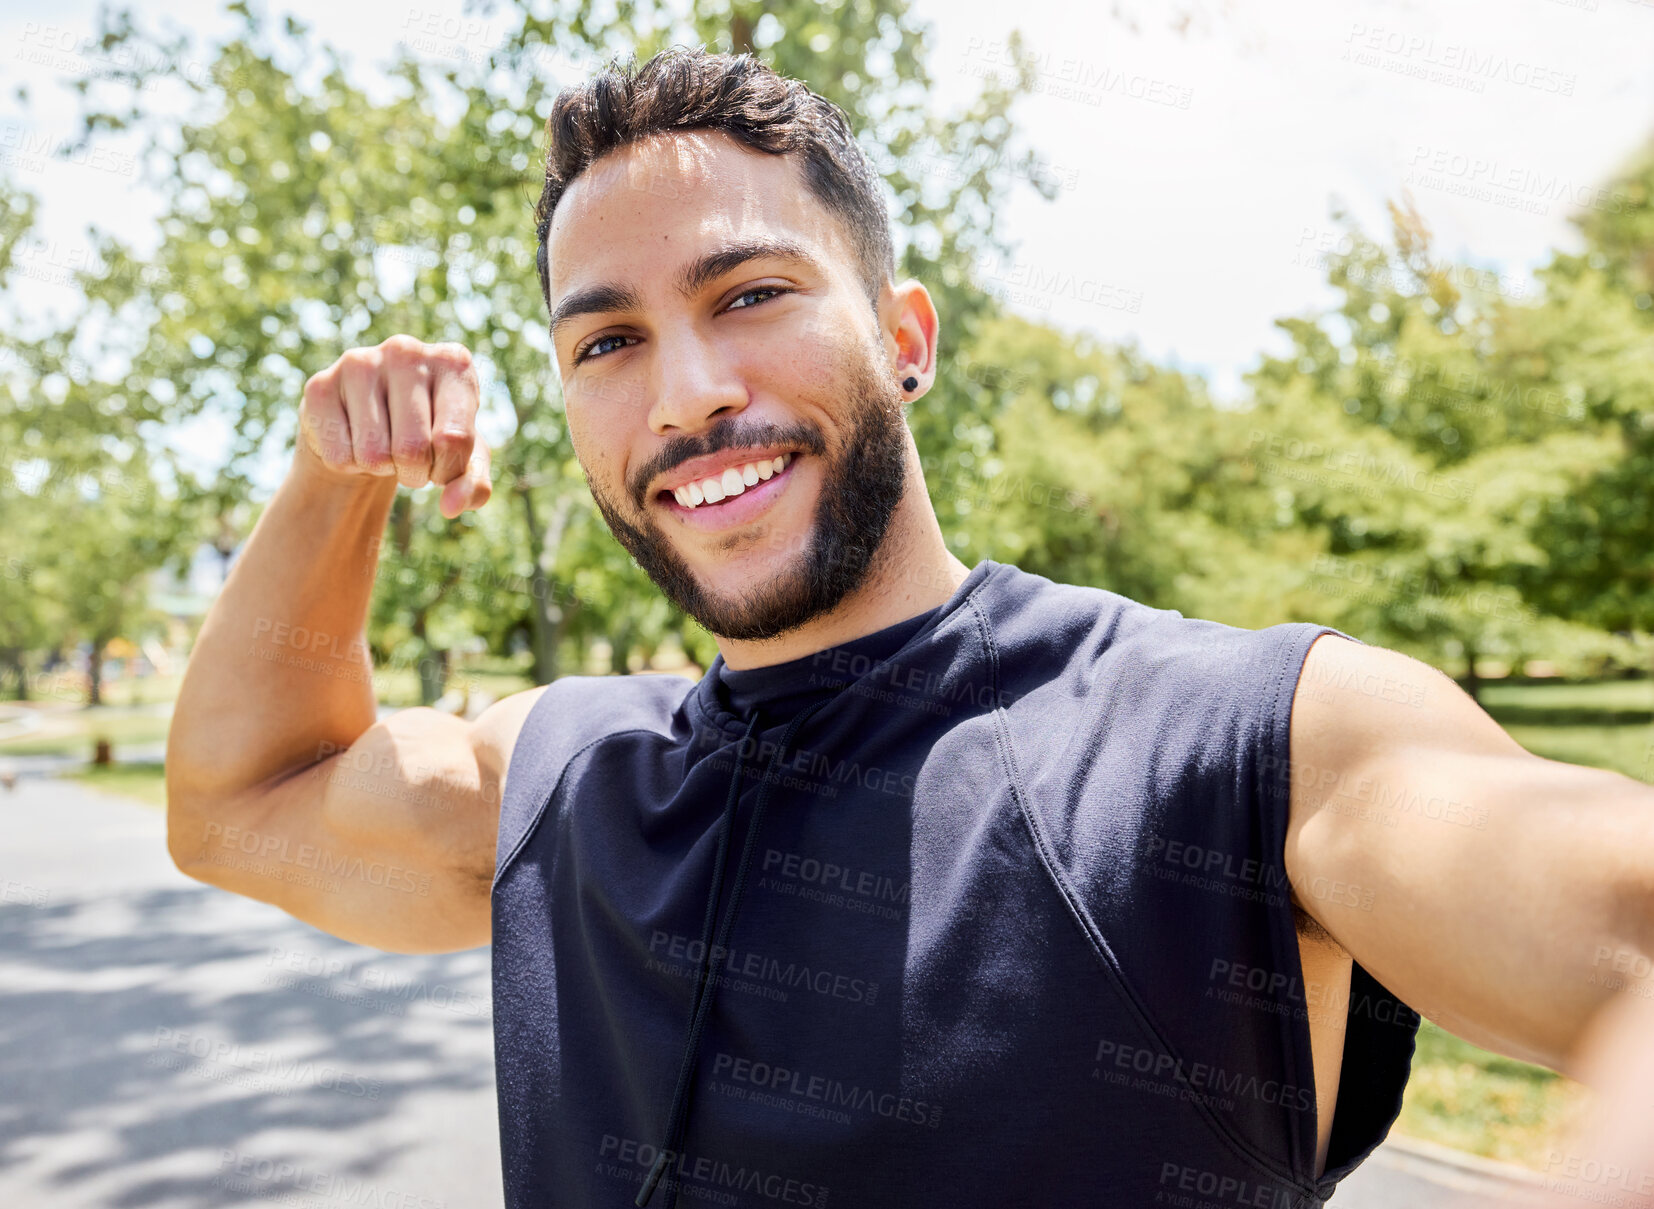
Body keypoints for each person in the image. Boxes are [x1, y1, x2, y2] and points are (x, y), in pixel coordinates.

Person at [164, 47, 1654, 1209]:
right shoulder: (556, 770)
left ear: (904, 337)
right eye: (606, 340)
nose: (682, 391)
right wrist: (331, 484)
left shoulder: (1228, 740)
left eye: (748, 293)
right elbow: (241, 803)